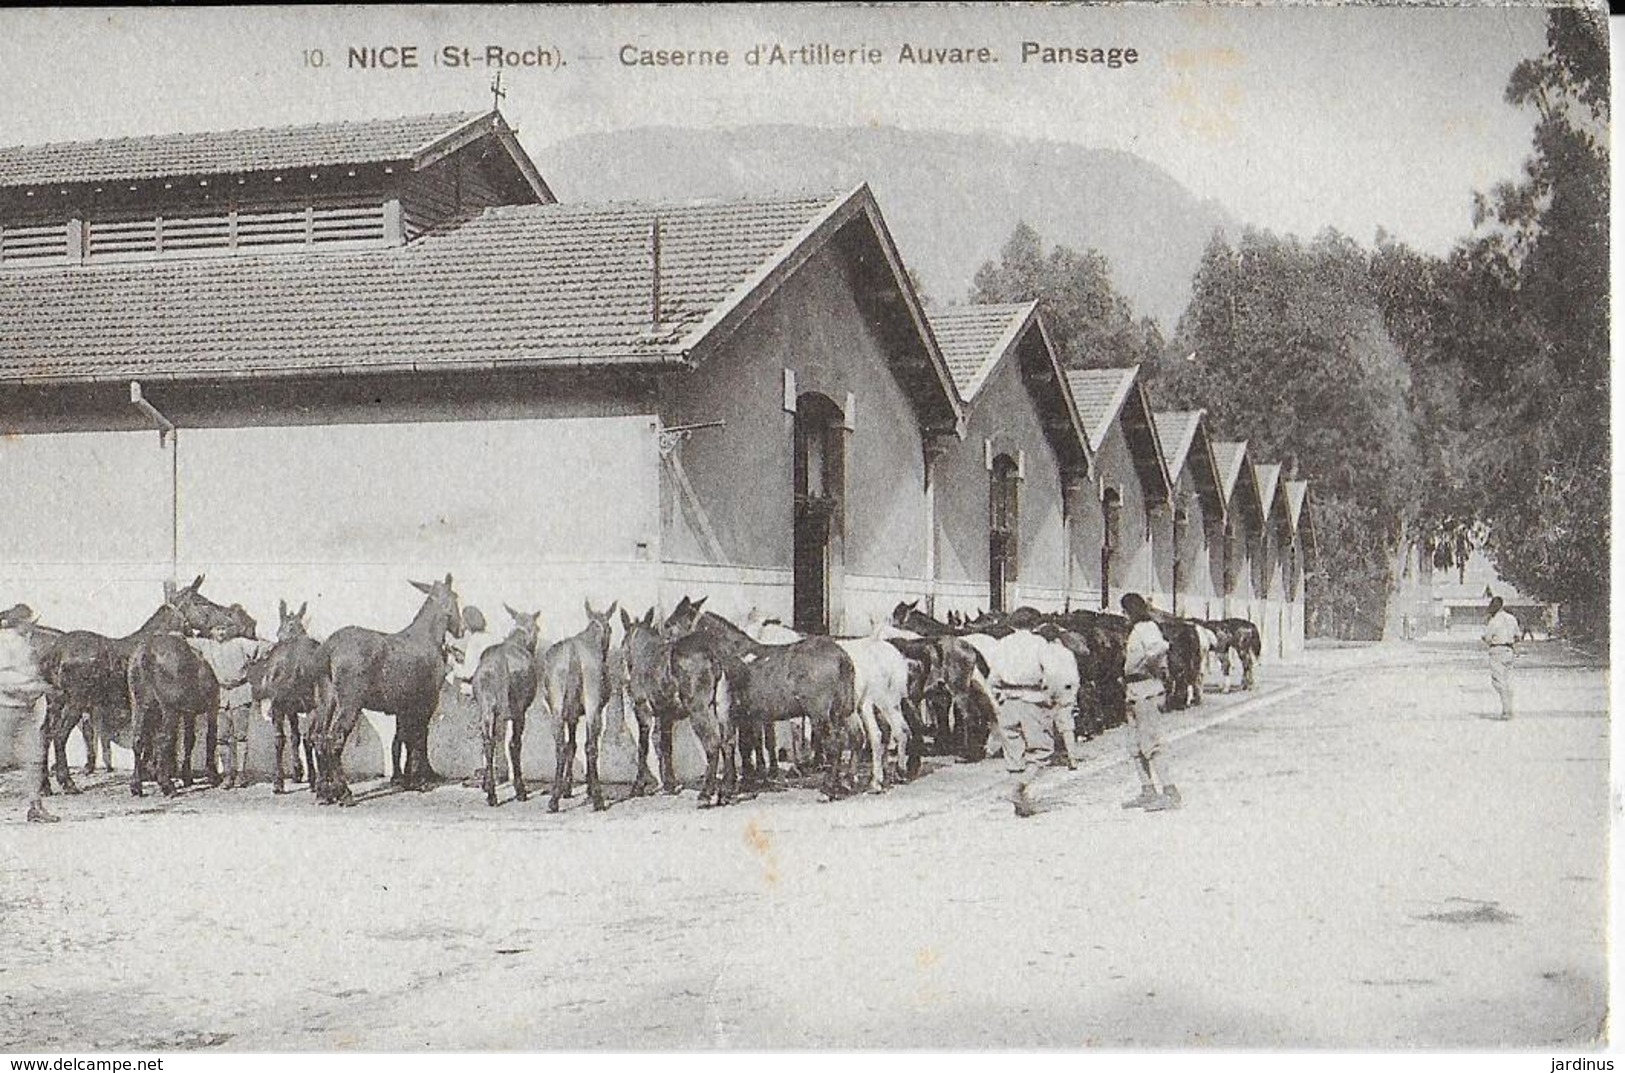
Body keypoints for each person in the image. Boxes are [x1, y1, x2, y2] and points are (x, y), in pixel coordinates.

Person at [986, 607, 1076, 817]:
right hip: (1032, 700)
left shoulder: (1002, 644)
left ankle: (1021, 803)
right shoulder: (1039, 644)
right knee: (1042, 751)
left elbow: (993, 677)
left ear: (1012, 624)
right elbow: (1052, 673)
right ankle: (1019, 788)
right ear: (1035, 625)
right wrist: (1052, 696)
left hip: (1007, 701)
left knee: (1013, 752)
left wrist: (998, 695)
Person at [191, 622, 273, 789]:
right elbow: (187, 641)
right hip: (221, 696)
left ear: (229, 631)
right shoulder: (207, 645)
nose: (221, 632)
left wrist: (264, 641)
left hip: (240, 693)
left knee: (240, 736)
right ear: (212, 631)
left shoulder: (241, 643)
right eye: (217, 629)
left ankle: (241, 774)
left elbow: (266, 648)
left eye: (223, 629)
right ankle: (228, 775)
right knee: (222, 738)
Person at [1119, 592, 1180, 812]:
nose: (1123, 615)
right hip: (1133, 690)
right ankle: (1147, 789)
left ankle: (1170, 791)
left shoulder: (1147, 628)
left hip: (1146, 688)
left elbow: (1160, 647)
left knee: (1151, 743)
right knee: (1134, 745)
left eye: (1125, 611)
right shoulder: (1136, 629)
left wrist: (1144, 664)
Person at [0, 603, 57, 823]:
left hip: (24, 710)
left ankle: (35, 807)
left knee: (34, 757)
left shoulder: (24, 642)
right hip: (5, 708)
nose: (32, 627)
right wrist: (33, 687)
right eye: (29, 623)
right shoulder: (5, 643)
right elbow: (3, 679)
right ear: (21, 622)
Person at [1481, 595, 1519, 720]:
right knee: (1508, 680)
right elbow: (1517, 636)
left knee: (1498, 682)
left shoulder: (1494, 620)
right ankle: (1509, 708)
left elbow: (1487, 637)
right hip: (1510, 650)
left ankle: (1506, 710)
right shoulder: (1512, 618)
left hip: (1497, 650)